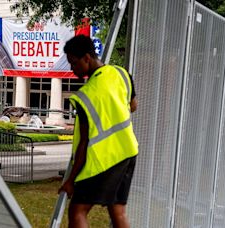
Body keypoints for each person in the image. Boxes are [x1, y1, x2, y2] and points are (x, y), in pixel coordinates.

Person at [58, 35, 138, 228]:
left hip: (105, 160)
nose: (72, 69)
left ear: (87, 57)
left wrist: (71, 180)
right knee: (117, 211)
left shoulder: (86, 96)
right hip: (128, 152)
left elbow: (84, 143)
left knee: (78, 210)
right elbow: (133, 106)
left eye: (74, 63)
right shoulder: (120, 73)